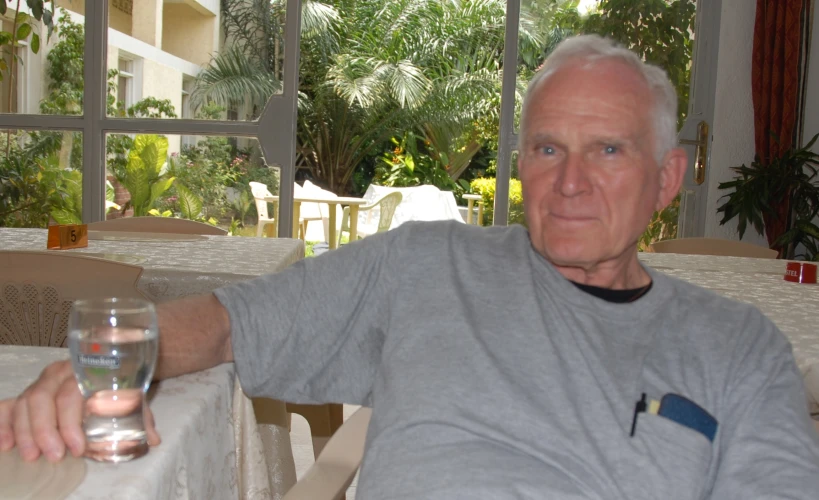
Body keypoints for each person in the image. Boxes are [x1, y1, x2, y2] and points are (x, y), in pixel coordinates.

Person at [2, 35, 819, 498]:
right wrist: (108, 358)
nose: (569, 182)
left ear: (666, 180)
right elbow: (228, 323)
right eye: (545, 148)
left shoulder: (738, 346)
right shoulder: (427, 265)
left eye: (606, 149)